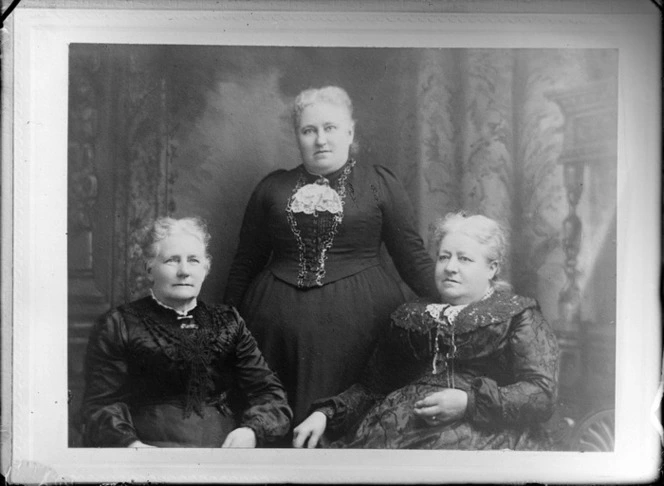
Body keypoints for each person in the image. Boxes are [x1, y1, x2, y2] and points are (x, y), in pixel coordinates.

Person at [223, 86, 438, 425]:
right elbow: (245, 263)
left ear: (350, 132)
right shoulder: (272, 188)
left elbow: (412, 260)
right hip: (275, 333)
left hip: (363, 329)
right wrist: (223, 327)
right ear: (298, 136)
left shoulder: (379, 184)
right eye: (309, 130)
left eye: (330, 128)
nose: (320, 139)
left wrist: (467, 303)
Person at [293, 212, 559, 450]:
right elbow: (373, 387)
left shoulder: (517, 314)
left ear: (492, 268)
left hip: (481, 439)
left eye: (464, 259)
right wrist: (325, 414)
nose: (450, 267)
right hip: (394, 436)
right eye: (444, 257)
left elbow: (540, 394)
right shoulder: (410, 317)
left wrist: (468, 402)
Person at [80, 217, 292, 448]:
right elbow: (100, 406)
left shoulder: (228, 322)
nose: (184, 271)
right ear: (149, 268)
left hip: (222, 451)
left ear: (205, 268)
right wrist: (131, 446)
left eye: (193, 260)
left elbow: (270, 394)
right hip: (148, 451)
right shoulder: (119, 324)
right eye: (172, 260)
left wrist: (252, 431)